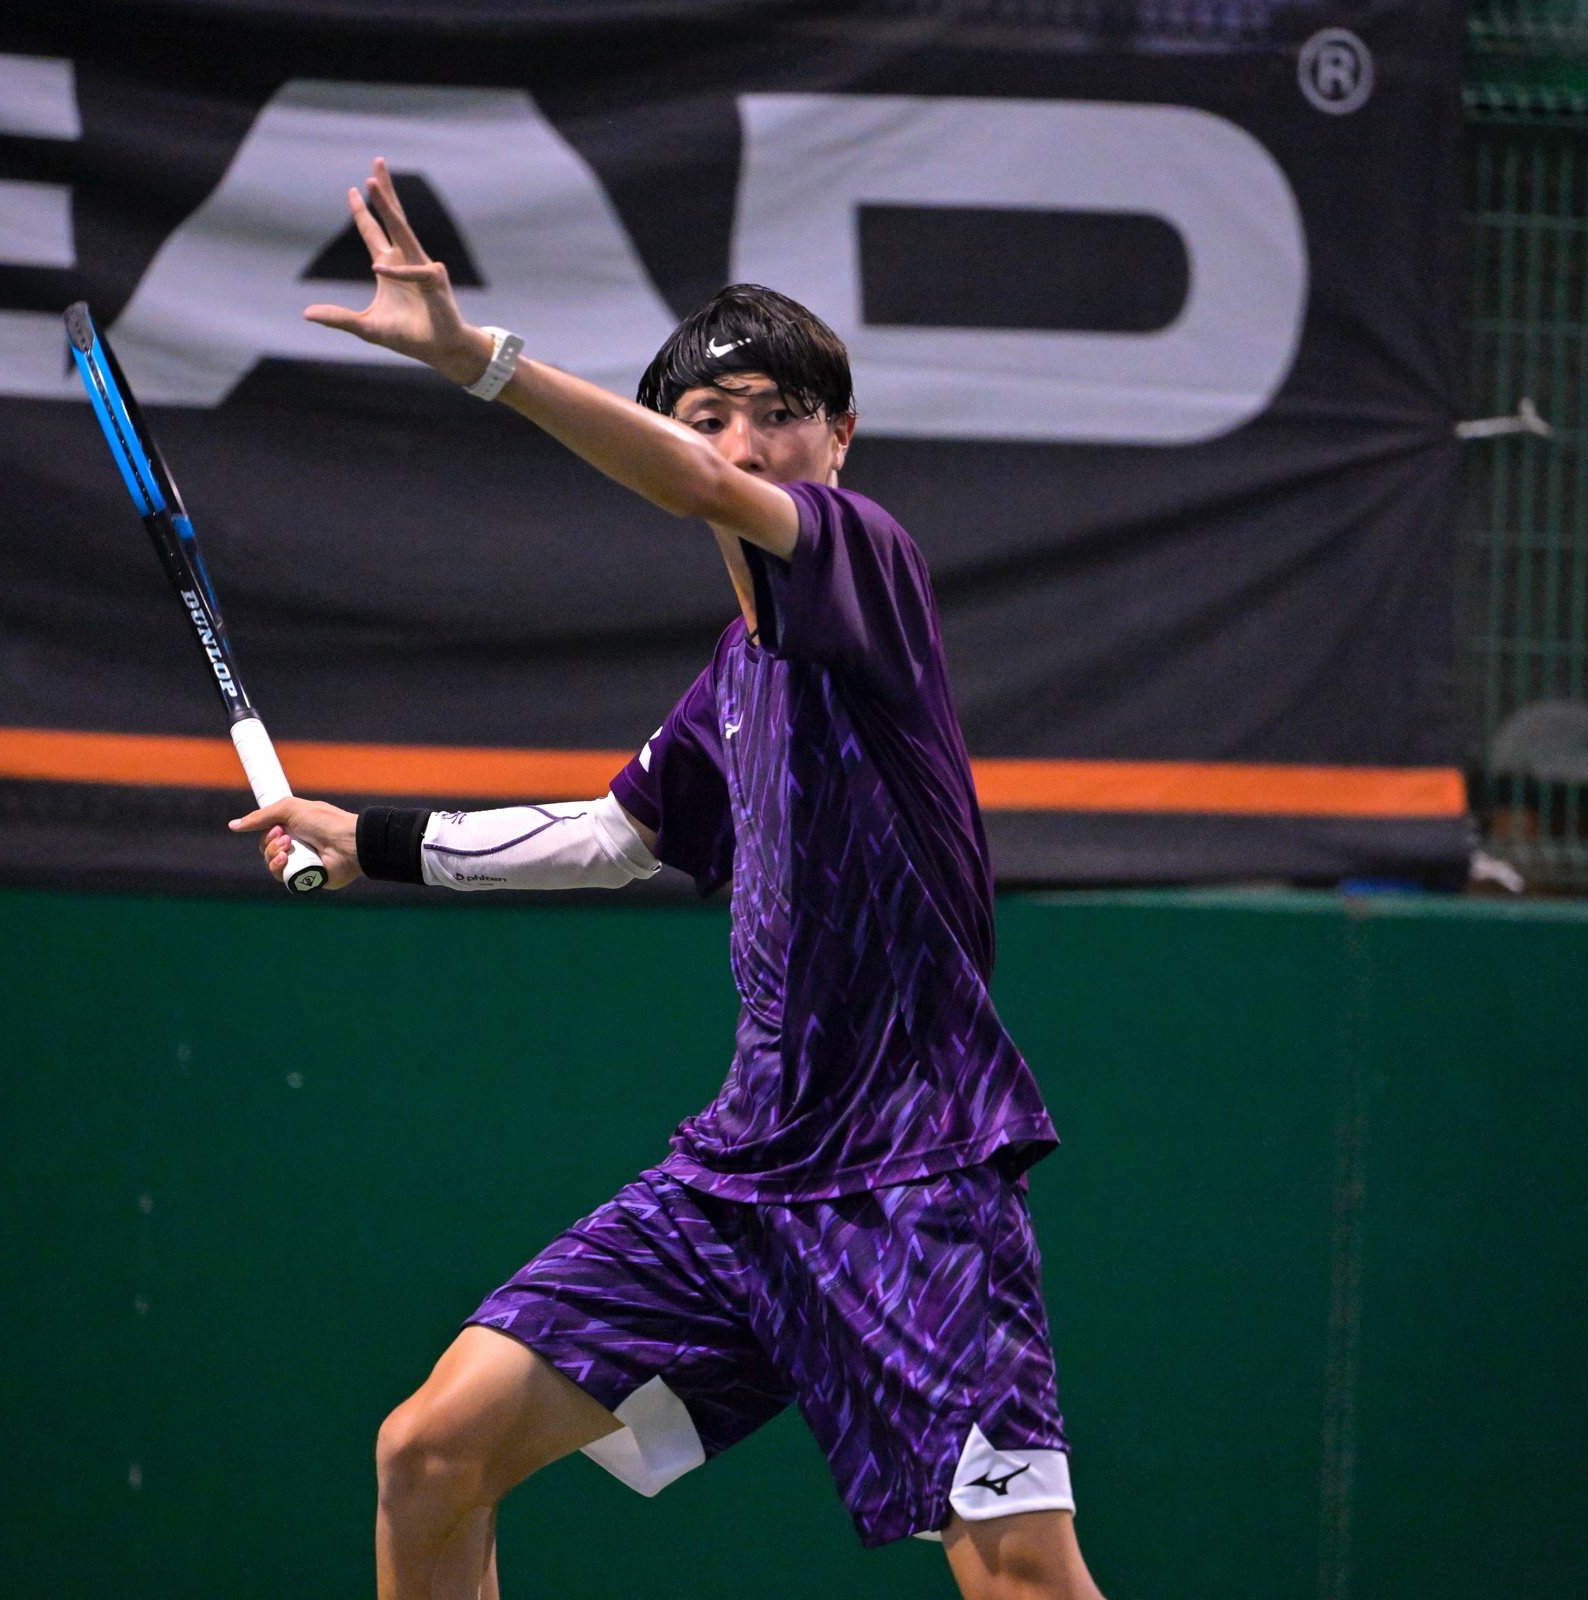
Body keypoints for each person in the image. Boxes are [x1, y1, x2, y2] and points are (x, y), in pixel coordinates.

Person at [233, 159, 1103, 1600]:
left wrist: (478, 361)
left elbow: (702, 489)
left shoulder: (870, 564)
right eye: (708, 417)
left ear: (841, 438)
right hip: (742, 1177)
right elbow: (612, 836)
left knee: (1019, 1578)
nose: (744, 445)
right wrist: (367, 838)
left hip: (914, 1180)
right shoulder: (732, 681)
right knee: (429, 1454)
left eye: (779, 412)